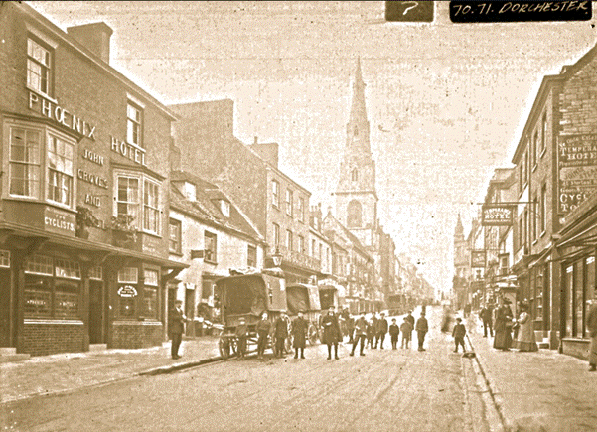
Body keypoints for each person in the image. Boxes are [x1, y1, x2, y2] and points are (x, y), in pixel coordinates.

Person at [587, 296, 597, 371]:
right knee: (593, 348)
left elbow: (587, 319)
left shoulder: (593, 307)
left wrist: (590, 329)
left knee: (593, 349)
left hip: (594, 331)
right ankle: (593, 365)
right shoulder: (593, 308)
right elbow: (588, 319)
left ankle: (593, 365)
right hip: (595, 331)